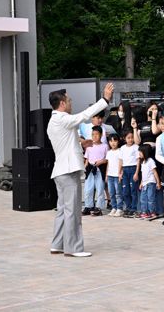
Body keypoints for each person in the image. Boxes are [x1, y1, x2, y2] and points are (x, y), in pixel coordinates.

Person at [47, 82, 114, 258]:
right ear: (62, 103)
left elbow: (66, 142)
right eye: (69, 100)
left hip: (61, 171)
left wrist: (81, 143)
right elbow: (83, 116)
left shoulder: (54, 121)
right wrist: (105, 99)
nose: (71, 103)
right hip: (68, 171)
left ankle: (58, 244)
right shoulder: (62, 118)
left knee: (63, 209)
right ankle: (73, 248)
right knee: (73, 210)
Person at [82, 126, 109, 217]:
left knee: (100, 189)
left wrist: (101, 161)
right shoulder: (89, 146)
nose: (94, 136)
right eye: (93, 134)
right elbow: (86, 159)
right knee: (88, 189)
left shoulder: (105, 146)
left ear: (101, 135)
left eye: (97, 134)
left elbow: (107, 159)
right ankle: (88, 206)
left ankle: (99, 208)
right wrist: (84, 168)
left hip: (100, 169)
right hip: (90, 170)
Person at [119, 129, 140, 217]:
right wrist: (119, 173)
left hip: (133, 169)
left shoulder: (136, 147)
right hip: (125, 170)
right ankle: (128, 207)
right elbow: (120, 161)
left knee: (133, 190)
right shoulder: (122, 148)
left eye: (132, 138)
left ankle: (134, 208)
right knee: (125, 191)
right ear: (124, 138)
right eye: (128, 138)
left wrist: (136, 173)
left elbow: (138, 160)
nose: (130, 139)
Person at [138, 144, 161, 219]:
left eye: (140, 152)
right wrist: (141, 183)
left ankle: (152, 212)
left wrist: (158, 182)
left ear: (145, 152)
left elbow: (155, 172)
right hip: (144, 183)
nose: (139, 154)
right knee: (143, 198)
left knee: (151, 198)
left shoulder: (150, 161)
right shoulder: (143, 162)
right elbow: (143, 174)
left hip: (151, 182)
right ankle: (144, 212)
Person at [105, 134, 124, 217]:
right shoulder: (109, 152)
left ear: (118, 141)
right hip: (110, 175)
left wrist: (120, 173)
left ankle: (120, 208)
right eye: (111, 141)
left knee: (118, 192)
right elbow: (108, 164)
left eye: (115, 141)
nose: (113, 143)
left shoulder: (120, 151)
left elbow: (121, 163)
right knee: (111, 192)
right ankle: (114, 207)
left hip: (117, 175)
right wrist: (106, 174)